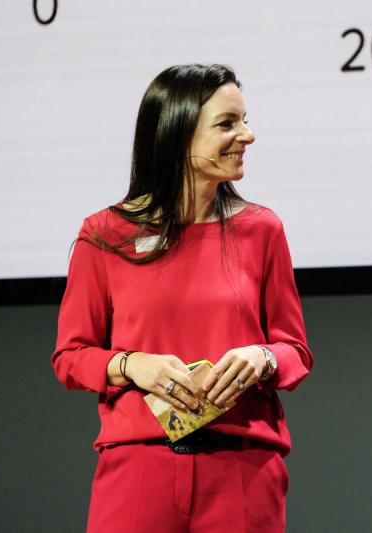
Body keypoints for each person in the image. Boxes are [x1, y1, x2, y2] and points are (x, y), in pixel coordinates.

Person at [52, 64, 313, 533]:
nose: (247, 135)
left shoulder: (262, 229)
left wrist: (263, 358)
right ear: (177, 133)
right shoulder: (105, 234)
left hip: (242, 471)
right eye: (227, 124)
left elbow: (295, 350)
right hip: (138, 469)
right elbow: (70, 356)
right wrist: (131, 364)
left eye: (245, 120)